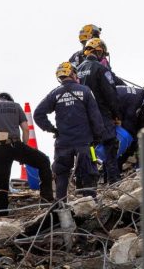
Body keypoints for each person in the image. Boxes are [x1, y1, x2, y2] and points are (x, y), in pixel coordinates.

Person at [34, 62, 106, 199]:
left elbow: (38, 114)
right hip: (85, 143)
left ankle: (61, 205)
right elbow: (96, 117)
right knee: (89, 173)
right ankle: (90, 203)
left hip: (63, 143)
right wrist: (97, 137)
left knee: (61, 175)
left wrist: (52, 129)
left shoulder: (54, 94)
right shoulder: (85, 91)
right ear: (72, 73)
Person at [0, 92, 53, 215]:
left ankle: (2, 214)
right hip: (15, 144)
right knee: (43, 162)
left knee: (1, 185)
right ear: (9, 99)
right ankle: (46, 200)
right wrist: (23, 148)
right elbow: (25, 129)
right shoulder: (16, 106)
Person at [76, 38, 122, 184]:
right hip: (102, 114)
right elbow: (111, 94)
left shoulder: (77, 71)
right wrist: (116, 114)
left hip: (84, 116)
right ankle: (112, 180)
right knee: (110, 144)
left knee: (89, 149)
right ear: (99, 50)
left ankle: (85, 182)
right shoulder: (101, 69)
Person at [115, 85, 144, 167]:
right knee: (131, 136)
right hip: (133, 103)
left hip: (132, 105)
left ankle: (118, 163)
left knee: (130, 137)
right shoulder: (137, 96)